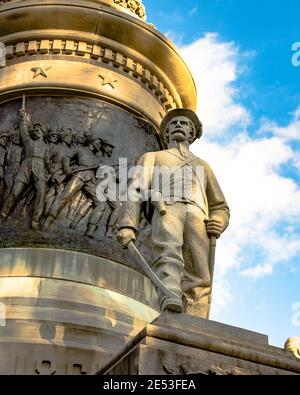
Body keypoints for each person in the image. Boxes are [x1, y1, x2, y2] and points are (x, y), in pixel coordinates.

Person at [117, 109, 230, 318]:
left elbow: (220, 206)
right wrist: (128, 223)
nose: (178, 125)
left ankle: (197, 313)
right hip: (166, 208)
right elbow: (136, 188)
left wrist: (218, 220)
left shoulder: (203, 166)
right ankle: (170, 296)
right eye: (174, 123)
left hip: (198, 215)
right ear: (166, 133)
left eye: (185, 124)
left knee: (199, 270)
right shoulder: (152, 157)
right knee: (167, 253)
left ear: (192, 134)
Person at [0, 110, 49, 229]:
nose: (35, 132)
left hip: (40, 167)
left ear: (43, 133)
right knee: (15, 192)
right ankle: (2, 215)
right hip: (25, 166)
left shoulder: (47, 147)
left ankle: (35, 220)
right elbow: (23, 131)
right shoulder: (28, 142)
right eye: (34, 130)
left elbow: (47, 161)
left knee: (41, 194)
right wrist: (22, 118)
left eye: (38, 130)